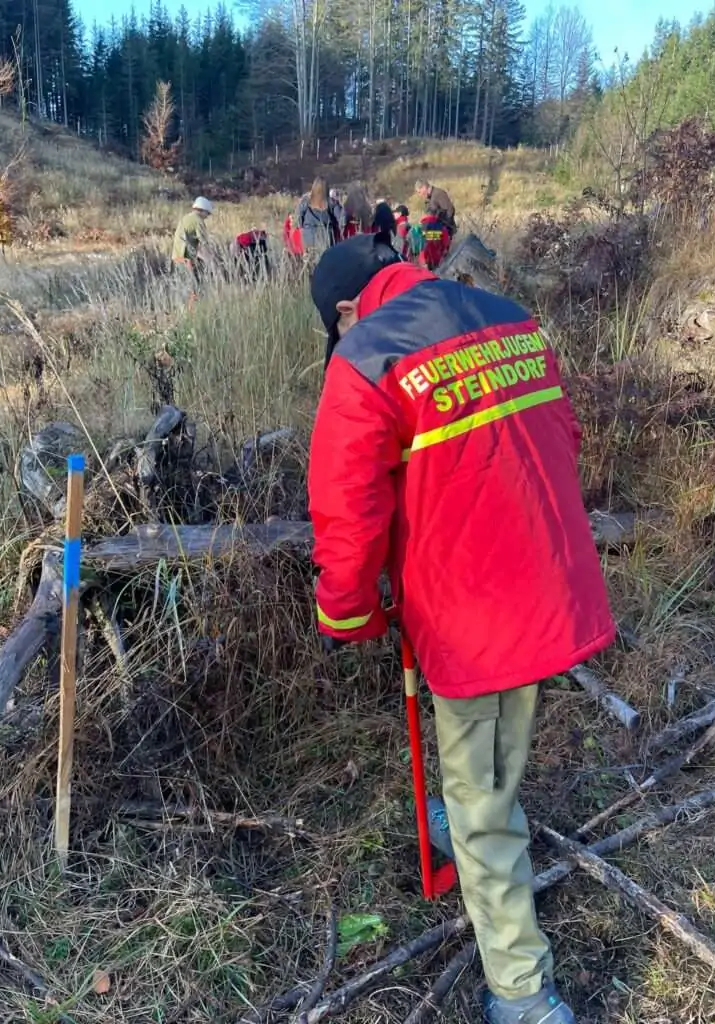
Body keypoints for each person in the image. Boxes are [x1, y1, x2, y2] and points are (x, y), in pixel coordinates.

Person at [307, 233, 615, 1024]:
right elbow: (561, 440)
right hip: (547, 581)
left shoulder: (364, 357)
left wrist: (346, 613)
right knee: (489, 755)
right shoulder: (505, 316)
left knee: (484, 808)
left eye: (333, 328)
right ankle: (468, 813)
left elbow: (347, 514)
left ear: (347, 310)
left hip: (475, 612)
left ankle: (523, 994)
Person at [172, 196, 213, 301]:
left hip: (177, 257)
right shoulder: (198, 221)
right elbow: (204, 244)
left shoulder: (185, 218)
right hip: (186, 258)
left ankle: (185, 307)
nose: (207, 217)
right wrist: (212, 261)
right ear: (202, 210)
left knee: (186, 287)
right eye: (207, 213)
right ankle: (193, 309)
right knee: (194, 287)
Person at [296, 177, 341, 252]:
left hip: (308, 237)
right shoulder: (332, 203)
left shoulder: (305, 201)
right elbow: (341, 218)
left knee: (310, 257)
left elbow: (298, 218)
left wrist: (302, 227)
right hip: (326, 236)